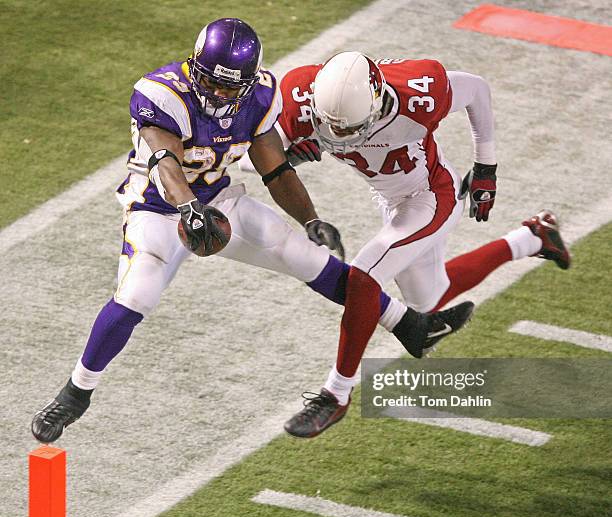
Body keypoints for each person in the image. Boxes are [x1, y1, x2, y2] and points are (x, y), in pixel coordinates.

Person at [31, 21, 473, 444]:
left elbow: (275, 168)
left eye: (230, 86)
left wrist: (310, 219)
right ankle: (75, 393)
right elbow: (165, 164)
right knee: (137, 294)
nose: (221, 93)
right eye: (213, 82)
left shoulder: (261, 95)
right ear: (195, 66)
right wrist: (188, 209)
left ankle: (412, 327)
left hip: (221, 201)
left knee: (308, 257)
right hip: (159, 210)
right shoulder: (161, 94)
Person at [274, 52, 570, 438]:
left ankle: (336, 393)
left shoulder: (417, 93)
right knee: (429, 299)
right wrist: (285, 156)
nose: (338, 137)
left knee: (362, 280)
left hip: (429, 197)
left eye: (349, 128)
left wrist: (487, 167)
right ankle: (533, 238)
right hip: (391, 202)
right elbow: (253, 157)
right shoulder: (300, 93)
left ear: (378, 101)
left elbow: (477, 89)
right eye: (330, 127)